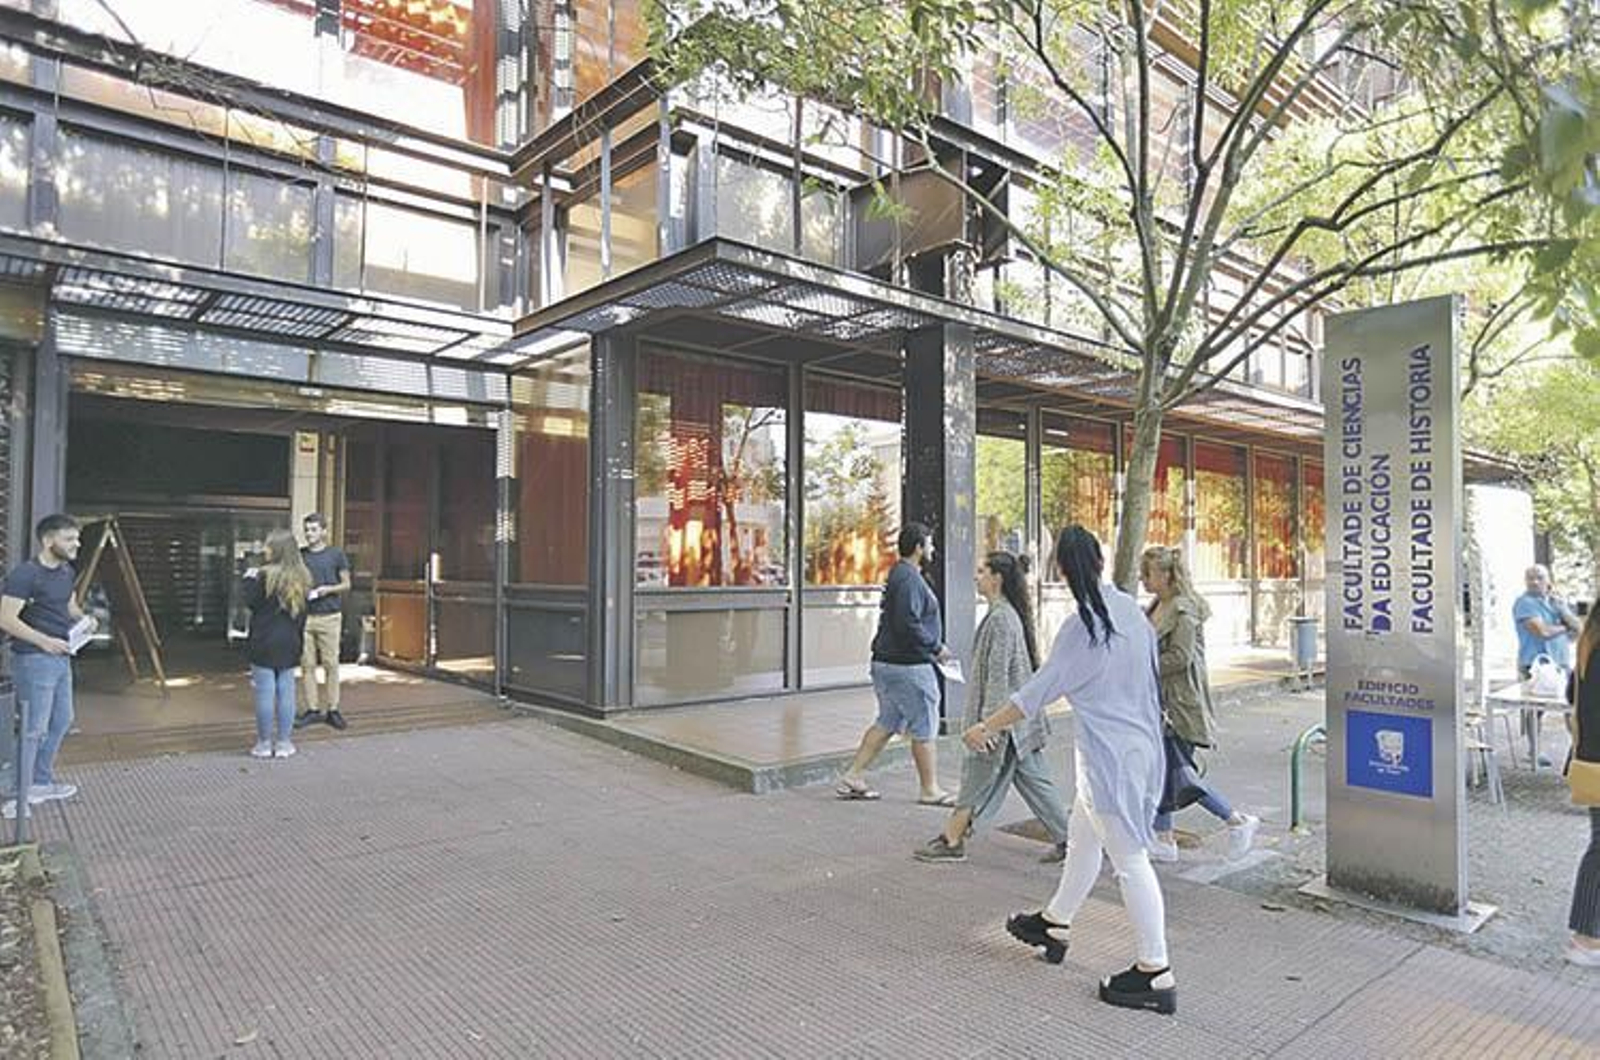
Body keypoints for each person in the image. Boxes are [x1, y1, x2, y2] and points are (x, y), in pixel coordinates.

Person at [966, 525, 1175, 1015]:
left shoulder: (1084, 625)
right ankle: (1056, 921)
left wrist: (984, 727)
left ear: (1059, 568)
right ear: (1101, 562)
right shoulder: (1128, 610)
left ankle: (1156, 970)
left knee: (1129, 860)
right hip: (1137, 751)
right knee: (1083, 838)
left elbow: (1038, 691)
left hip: (1109, 760)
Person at [914, 551, 1071, 864]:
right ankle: (1070, 840)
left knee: (976, 776)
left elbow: (998, 676)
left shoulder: (1000, 619)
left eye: (982, 571)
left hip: (1001, 724)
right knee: (1035, 782)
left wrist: (988, 726)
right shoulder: (1007, 615)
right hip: (1015, 723)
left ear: (997, 578)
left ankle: (952, 839)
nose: (976, 576)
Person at [1140, 545, 1259, 863]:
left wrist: (1142, 664)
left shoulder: (1183, 610)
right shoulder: (1156, 605)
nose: (1142, 579)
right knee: (1166, 771)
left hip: (1180, 706)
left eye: (1148, 572)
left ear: (1166, 574)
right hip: (1162, 703)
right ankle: (1163, 839)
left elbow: (1180, 657)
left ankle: (1235, 820)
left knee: (1180, 774)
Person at [836, 522, 954, 805]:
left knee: (888, 720)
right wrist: (936, 648)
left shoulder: (900, 574)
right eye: (930, 543)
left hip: (887, 664)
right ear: (918, 547)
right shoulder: (910, 579)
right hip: (908, 667)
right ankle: (930, 789)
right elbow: (908, 623)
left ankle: (854, 775)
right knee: (924, 725)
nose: (933, 549)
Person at [1, 515, 94, 819]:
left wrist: (84, 619)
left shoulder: (66, 571)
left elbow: (67, 607)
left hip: (60, 656)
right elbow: (5, 619)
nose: (76, 544)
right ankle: (16, 794)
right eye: (69, 539)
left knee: (62, 720)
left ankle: (40, 782)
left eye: (76, 539)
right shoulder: (25, 575)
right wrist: (43, 641)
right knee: (33, 729)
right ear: (48, 540)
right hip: (33, 659)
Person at [244, 531, 310, 759]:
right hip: (290, 641)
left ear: (277, 550)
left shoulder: (262, 575)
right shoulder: (303, 577)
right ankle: (284, 743)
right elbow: (303, 613)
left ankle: (263, 744)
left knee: (264, 691)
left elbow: (250, 603)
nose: (264, 550)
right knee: (286, 691)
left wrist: (248, 578)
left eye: (268, 546)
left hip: (263, 641)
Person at [1513, 564, 1581, 766]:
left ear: (1548, 581)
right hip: (1533, 665)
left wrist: (1562, 610)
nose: (1534, 581)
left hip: (1561, 663)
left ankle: (1578, 750)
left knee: (1572, 708)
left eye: (1539, 577)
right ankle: (1534, 751)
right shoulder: (1524, 603)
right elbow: (1541, 631)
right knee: (1534, 710)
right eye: (1530, 577)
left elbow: (1578, 628)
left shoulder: (1555, 602)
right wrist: (1563, 626)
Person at [294, 513, 352, 731]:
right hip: (305, 617)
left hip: (330, 616)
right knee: (307, 665)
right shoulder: (300, 556)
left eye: (314, 530)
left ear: (324, 531)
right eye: (307, 530)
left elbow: (346, 584)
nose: (309, 534)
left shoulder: (336, 554)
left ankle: (333, 709)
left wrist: (328, 589)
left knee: (331, 664)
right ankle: (312, 709)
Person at [1567, 597, 1600, 967]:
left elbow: (1569, 694)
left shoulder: (1588, 644)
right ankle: (1584, 938)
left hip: (1592, 755)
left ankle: (1587, 933)